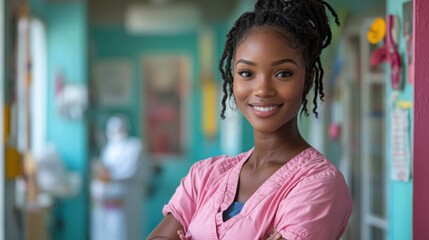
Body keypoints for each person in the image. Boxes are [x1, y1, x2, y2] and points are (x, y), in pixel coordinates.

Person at [147, 0, 352, 239]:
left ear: (307, 79)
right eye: (247, 73)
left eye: (283, 73)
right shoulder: (204, 175)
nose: (263, 89)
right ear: (232, 78)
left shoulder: (318, 184)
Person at [91, 115, 144, 240]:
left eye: (119, 129)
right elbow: (103, 170)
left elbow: (129, 172)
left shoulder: (134, 146)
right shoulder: (109, 148)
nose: (116, 133)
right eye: (113, 130)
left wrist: (109, 176)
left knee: (121, 232)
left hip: (123, 201)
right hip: (103, 203)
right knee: (103, 233)